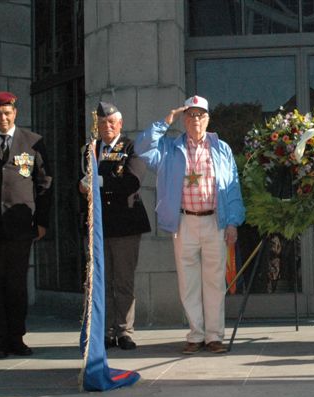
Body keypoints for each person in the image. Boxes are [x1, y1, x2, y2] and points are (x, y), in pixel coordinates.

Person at [135, 95, 245, 354]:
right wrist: (165, 121)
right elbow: (142, 148)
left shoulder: (221, 148)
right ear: (184, 119)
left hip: (215, 221)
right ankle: (196, 334)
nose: (196, 120)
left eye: (201, 115)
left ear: (208, 119)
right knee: (189, 282)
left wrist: (233, 222)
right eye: (191, 115)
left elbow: (232, 186)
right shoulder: (170, 148)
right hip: (184, 222)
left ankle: (214, 335)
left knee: (214, 281)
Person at [0, 91, 52, 359]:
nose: (3, 118)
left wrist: (42, 221)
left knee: (17, 284)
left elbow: (44, 182)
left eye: (7, 113)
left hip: (21, 226)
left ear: (15, 113)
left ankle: (17, 337)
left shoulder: (32, 141)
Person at [79, 102, 151, 350]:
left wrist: (99, 181)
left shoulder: (132, 147)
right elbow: (79, 183)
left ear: (120, 124)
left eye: (111, 122)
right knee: (102, 281)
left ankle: (124, 330)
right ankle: (106, 330)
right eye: (101, 123)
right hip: (98, 225)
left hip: (125, 225)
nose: (106, 126)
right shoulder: (91, 149)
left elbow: (131, 181)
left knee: (123, 280)